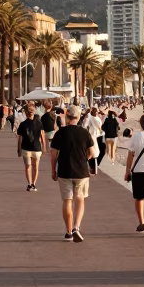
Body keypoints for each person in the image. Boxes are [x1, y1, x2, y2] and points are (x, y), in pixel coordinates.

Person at [49, 104, 95, 242]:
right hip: (81, 171)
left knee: (67, 200)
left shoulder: (60, 133)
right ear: (79, 117)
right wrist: (83, 159)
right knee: (80, 198)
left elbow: (53, 155)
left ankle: (68, 231)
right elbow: (92, 153)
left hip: (64, 170)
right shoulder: (84, 133)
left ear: (67, 117)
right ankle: (76, 226)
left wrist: (53, 170)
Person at [17, 101, 46, 190]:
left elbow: (20, 138)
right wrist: (44, 147)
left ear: (25, 113)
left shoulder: (22, 124)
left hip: (26, 148)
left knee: (28, 167)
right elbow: (42, 137)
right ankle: (33, 183)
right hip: (37, 148)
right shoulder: (39, 123)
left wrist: (18, 149)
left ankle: (29, 184)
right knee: (36, 167)